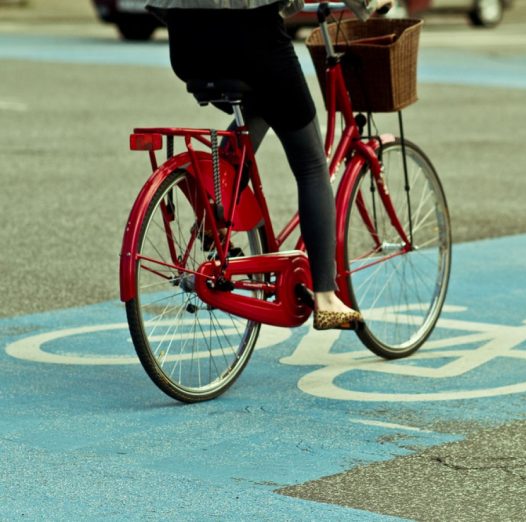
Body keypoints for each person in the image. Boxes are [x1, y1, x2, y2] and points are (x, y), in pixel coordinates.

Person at [144, 0, 385, 330]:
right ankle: (326, 297)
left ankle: (219, 214)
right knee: (311, 163)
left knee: (263, 102)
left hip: (187, 46)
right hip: (252, 38)